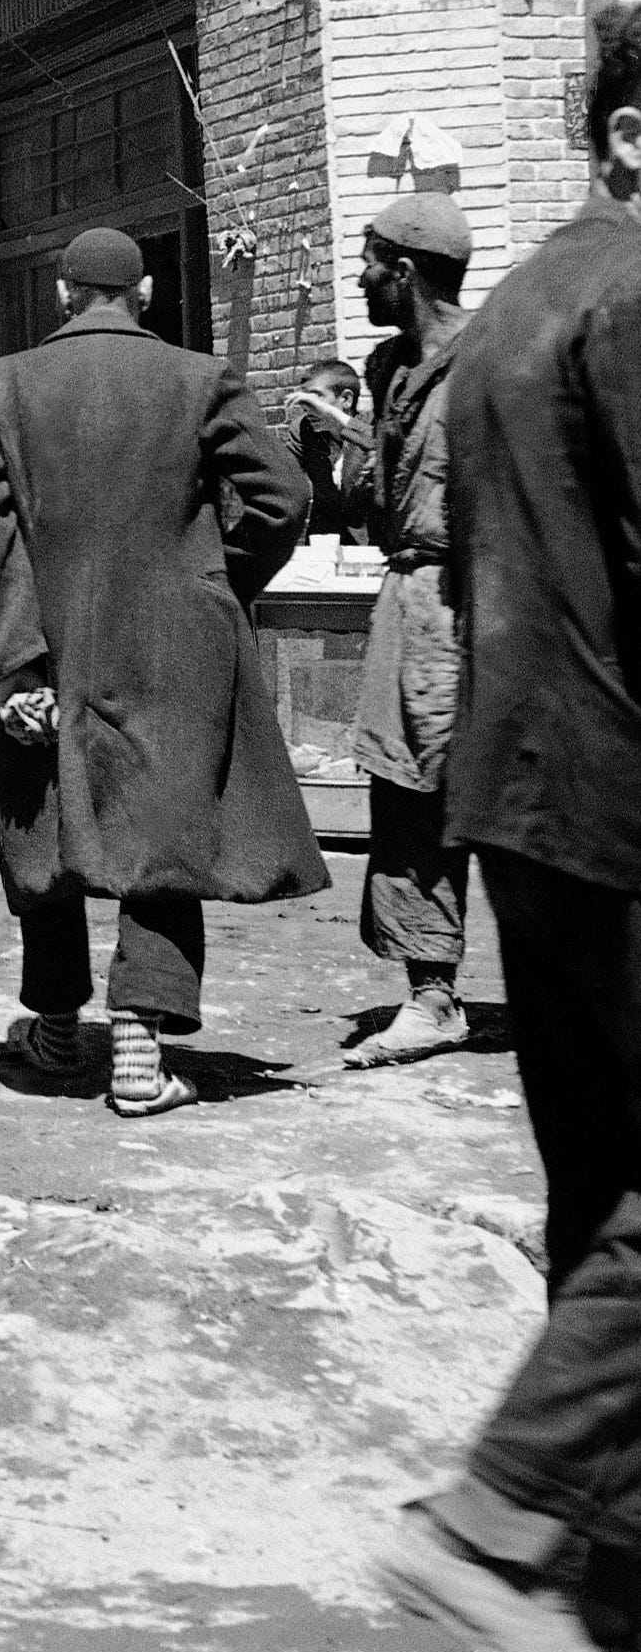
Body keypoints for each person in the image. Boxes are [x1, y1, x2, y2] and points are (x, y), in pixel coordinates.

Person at [376, 10, 641, 1652]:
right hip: (619, 792)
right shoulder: (626, 296)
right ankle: (492, 1524)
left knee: (599, 1190)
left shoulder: (523, 299)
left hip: (527, 796)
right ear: (625, 130)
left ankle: (604, 1579)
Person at [0, 225, 317, 1117]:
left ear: (60, 296)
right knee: (160, 827)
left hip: (44, 639)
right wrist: (213, 579)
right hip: (172, 640)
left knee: (45, 820)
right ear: (144, 292)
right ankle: (141, 1047)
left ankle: (55, 1023)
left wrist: (14, 657)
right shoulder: (200, 379)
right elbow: (285, 495)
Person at [339, 193, 476, 1069]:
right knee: (405, 798)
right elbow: (378, 500)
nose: (358, 276)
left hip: (482, 599)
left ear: (405, 271)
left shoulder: (494, 359)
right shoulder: (388, 368)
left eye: (367, 260)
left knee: (507, 799)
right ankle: (431, 993)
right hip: (410, 600)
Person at [283, 357, 374, 542]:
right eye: (304, 398)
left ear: (346, 399)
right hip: (322, 540)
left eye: (316, 397)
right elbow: (281, 474)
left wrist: (333, 417)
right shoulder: (303, 430)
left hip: (368, 543)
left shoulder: (370, 424)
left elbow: (378, 445)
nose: (308, 406)